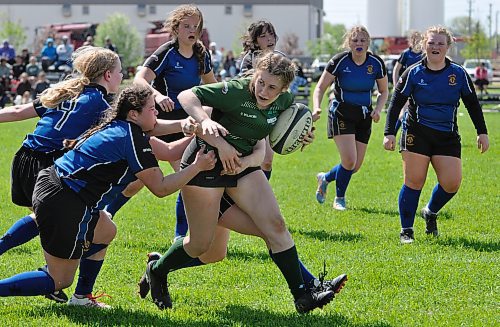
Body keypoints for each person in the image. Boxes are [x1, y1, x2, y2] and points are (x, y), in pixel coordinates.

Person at [140, 52, 336, 314]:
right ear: (255, 76)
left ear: (284, 89)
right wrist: (206, 120)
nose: (264, 91)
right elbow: (187, 96)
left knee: (275, 226)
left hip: (242, 165)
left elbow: (284, 129)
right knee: (203, 247)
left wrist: (301, 136)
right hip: (205, 163)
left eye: (272, 87)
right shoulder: (236, 90)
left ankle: (303, 295)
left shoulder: (286, 102)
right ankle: (158, 269)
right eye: (261, 82)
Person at [0, 84, 217, 304]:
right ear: (134, 114)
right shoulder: (130, 138)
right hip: (66, 200)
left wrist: (197, 133)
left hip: (54, 185)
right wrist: (197, 167)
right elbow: (160, 188)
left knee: (105, 230)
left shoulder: (124, 127)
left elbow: (169, 151)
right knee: (59, 280)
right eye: (152, 109)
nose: (157, 112)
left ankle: (82, 297)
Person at [0, 46, 121, 306]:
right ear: (108, 75)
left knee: (81, 225)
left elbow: (18, 112)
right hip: (49, 164)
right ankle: (66, 286)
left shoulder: (67, 91)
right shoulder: (101, 104)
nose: (122, 77)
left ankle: (69, 287)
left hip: (25, 157)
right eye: (120, 72)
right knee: (59, 220)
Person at [118, 4, 217, 240]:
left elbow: (212, 87)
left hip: (187, 125)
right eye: (187, 26)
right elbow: (140, 79)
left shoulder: (202, 54)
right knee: (135, 182)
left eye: (196, 26)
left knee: (186, 180)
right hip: (159, 124)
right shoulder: (167, 52)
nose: (192, 30)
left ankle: (179, 235)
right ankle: (104, 213)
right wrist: (158, 96)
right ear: (176, 28)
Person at [383, 26, 489, 244]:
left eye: (440, 43)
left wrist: (482, 132)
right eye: (431, 42)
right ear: (424, 45)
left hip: (446, 136)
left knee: (452, 183)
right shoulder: (413, 72)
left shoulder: (458, 73)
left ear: (448, 47)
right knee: (414, 181)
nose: (435, 47)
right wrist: (389, 133)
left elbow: (472, 103)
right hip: (416, 132)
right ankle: (407, 230)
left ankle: (430, 212)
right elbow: (396, 103)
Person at [313, 25, 389, 210]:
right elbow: (320, 87)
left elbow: (384, 91)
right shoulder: (339, 61)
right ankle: (339, 199)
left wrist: (378, 109)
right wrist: (316, 107)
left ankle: (326, 177)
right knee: (349, 160)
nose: (359, 44)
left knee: (354, 166)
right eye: (355, 40)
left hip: (364, 115)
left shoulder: (376, 63)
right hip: (341, 113)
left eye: (363, 40)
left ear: (368, 43)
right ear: (349, 43)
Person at [392, 31, 424, 134]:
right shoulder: (406, 54)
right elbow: (396, 70)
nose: (417, 42)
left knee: (417, 113)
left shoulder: (423, 54)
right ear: (410, 41)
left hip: (420, 88)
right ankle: (396, 133)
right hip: (406, 86)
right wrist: (395, 84)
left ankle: (410, 135)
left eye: (419, 39)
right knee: (405, 111)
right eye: (414, 39)